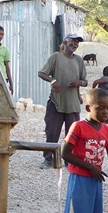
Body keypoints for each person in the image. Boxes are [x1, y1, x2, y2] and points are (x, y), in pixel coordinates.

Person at [38, 33, 88, 169]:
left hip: (72, 104)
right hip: (57, 102)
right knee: (51, 132)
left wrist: (79, 82)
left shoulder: (79, 60)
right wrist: (53, 81)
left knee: (72, 136)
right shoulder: (56, 57)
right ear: (65, 42)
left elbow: (85, 81)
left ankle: (69, 160)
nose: (75, 44)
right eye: (72, 41)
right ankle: (48, 159)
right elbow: (41, 73)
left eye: (77, 42)